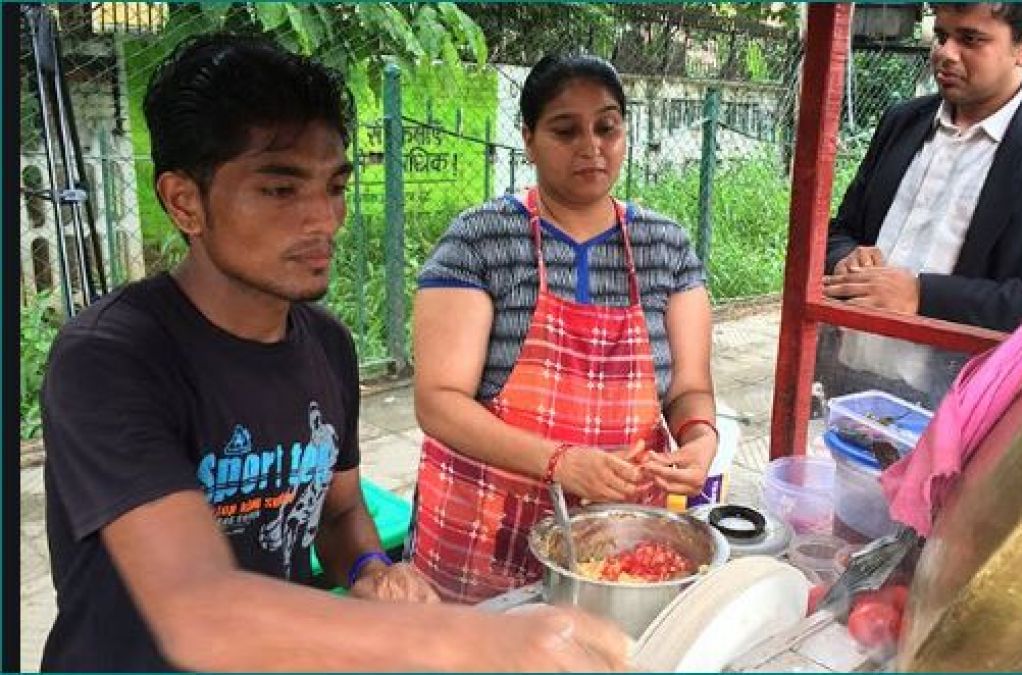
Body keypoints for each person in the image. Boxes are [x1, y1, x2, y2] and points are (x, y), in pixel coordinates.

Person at [39, 34, 627, 672]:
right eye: (280, 190)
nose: (324, 219)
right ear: (185, 202)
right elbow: (195, 610)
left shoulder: (325, 344)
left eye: (335, 186)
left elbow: (341, 509)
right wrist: (463, 639)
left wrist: (374, 569)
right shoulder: (110, 358)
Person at [408, 53, 719, 603]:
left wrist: (701, 441)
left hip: (618, 545)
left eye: (607, 126)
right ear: (527, 138)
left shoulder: (665, 246)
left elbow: (689, 390)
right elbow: (439, 402)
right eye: (565, 129)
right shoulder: (481, 239)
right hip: (484, 535)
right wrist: (560, 463)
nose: (591, 145)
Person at [817, 2, 1022, 407]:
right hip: (851, 380)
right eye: (941, 36)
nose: (945, 53)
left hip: (970, 406)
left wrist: (923, 297)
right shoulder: (903, 122)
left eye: (970, 39)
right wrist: (846, 258)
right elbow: (841, 229)